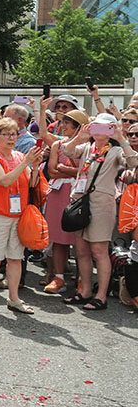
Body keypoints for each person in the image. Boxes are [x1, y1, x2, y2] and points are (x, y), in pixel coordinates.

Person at [62, 113, 138, 310]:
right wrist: (80, 136)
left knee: (99, 250)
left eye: (104, 128)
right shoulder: (87, 147)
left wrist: (121, 138)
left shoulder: (114, 151)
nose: (98, 131)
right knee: (81, 250)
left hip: (102, 204)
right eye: (95, 126)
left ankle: (101, 296)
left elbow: (133, 162)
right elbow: (68, 151)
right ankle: (85, 291)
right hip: (80, 201)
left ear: (111, 130)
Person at [0, 118, 44, 315]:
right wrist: (26, 162)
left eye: (14, 134)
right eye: (6, 134)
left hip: (18, 214)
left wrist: (33, 168)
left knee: (16, 258)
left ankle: (14, 298)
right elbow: (4, 181)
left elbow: (32, 185)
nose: (11, 138)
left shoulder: (18, 156)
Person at [40, 109, 85, 294]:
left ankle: (83, 278)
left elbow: (85, 171)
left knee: (81, 239)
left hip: (78, 193)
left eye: (67, 122)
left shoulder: (88, 145)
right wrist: (70, 170)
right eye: (63, 121)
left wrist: (63, 168)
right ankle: (58, 277)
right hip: (58, 192)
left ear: (78, 127)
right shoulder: (58, 144)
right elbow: (51, 171)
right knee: (58, 237)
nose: (63, 125)